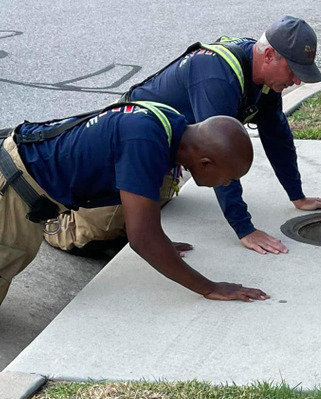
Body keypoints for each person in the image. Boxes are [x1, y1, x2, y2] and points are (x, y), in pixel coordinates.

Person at [43, 16, 321, 256]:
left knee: (147, 210)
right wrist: (244, 229)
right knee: (99, 229)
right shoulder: (218, 75)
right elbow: (220, 159)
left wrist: (297, 195)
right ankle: (49, 219)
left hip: (170, 153)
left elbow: (277, 136)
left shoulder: (263, 80)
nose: (297, 80)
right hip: (131, 145)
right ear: (269, 55)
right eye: (293, 70)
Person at [0, 100, 269, 306]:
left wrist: (159, 243)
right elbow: (143, 240)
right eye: (228, 178)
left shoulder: (169, 125)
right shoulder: (146, 142)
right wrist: (210, 287)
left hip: (24, 176)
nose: (226, 184)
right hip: (13, 188)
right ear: (205, 162)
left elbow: (141, 224)